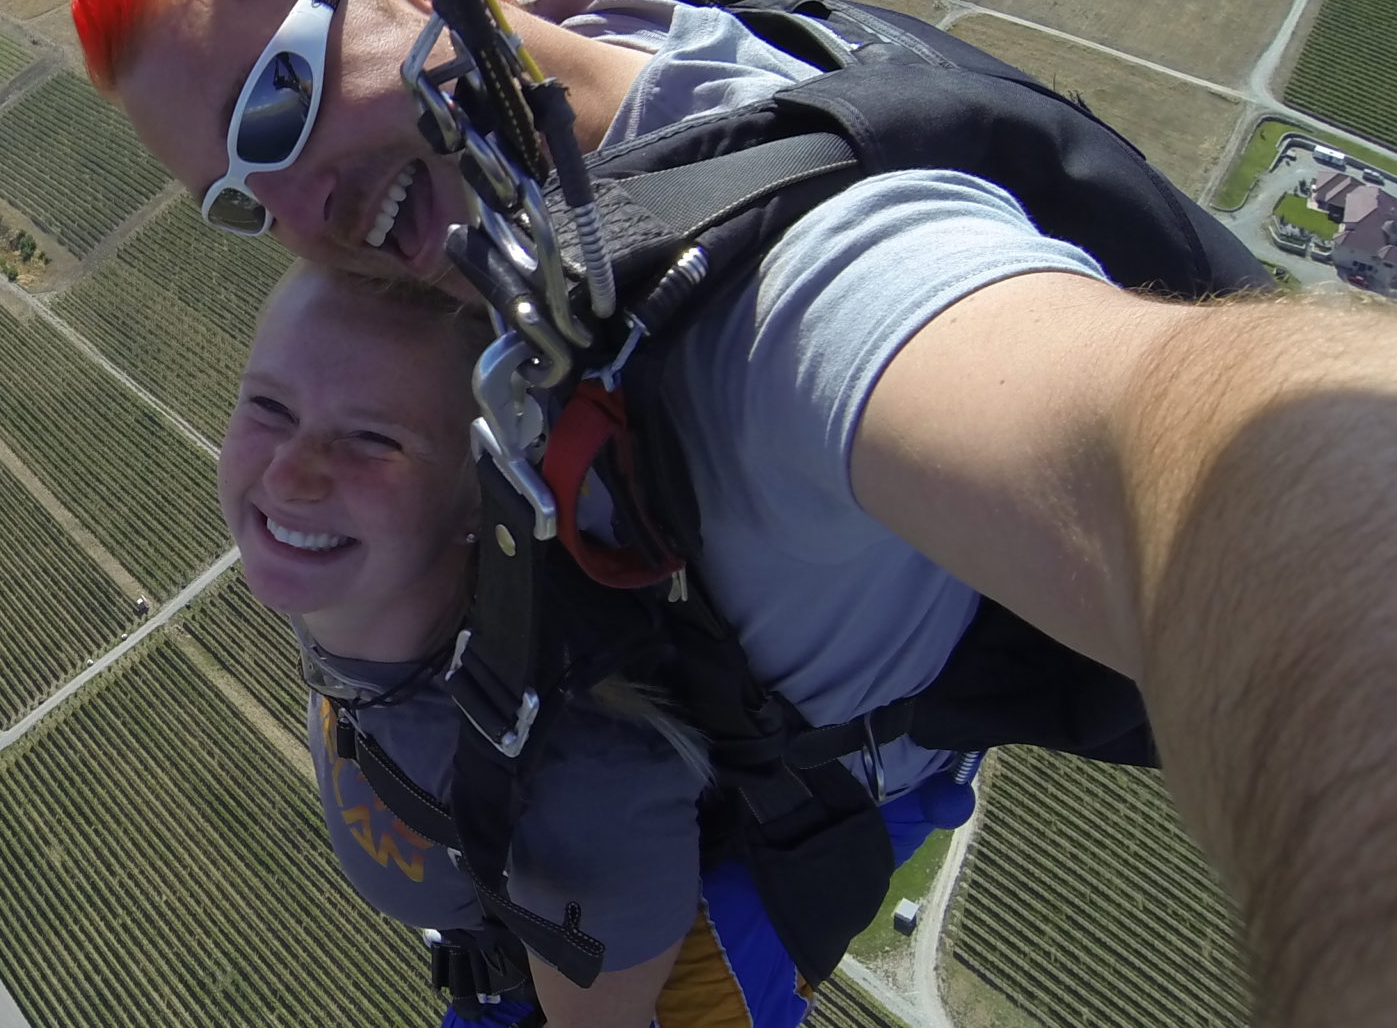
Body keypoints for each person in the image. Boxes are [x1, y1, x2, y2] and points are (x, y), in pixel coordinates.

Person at [71, 0, 1397, 1028]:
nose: (303, 214)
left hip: (718, 877)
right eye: (237, 200)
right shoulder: (582, 15)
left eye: (280, 106)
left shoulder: (793, 316)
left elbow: (1194, 468)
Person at [228, 261, 973, 1025]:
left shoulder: (576, 787)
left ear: (480, 500)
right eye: (269, 407)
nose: (289, 475)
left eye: (372, 440)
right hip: (519, 954)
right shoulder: (361, 574)